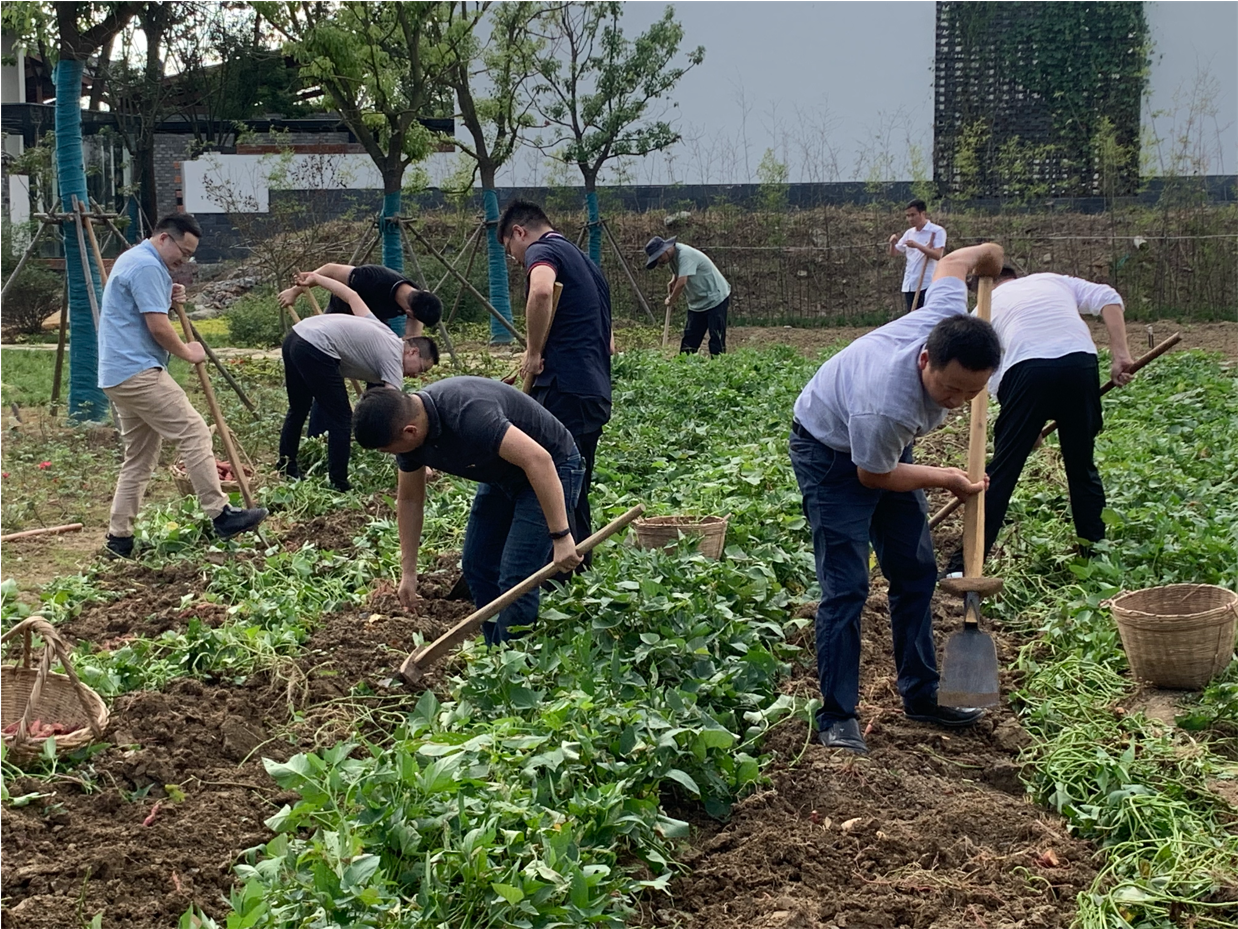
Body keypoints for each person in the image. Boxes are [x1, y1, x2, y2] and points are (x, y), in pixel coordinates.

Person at [789, 242, 1005, 755]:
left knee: (913, 571)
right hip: (832, 453)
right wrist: (946, 477)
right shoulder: (885, 404)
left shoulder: (945, 316)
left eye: (970, 395)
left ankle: (922, 694)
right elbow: (873, 475)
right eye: (949, 389)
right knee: (847, 587)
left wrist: (989, 256)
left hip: (884, 454)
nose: (956, 402)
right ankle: (838, 715)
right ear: (925, 358)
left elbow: (953, 262)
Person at [353, 379, 585, 643]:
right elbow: (409, 500)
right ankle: (495, 652)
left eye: (387, 450)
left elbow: (539, 460)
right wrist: (408, 573)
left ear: (409, 432)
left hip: (552, 467)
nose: (390, 455)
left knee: (516, 579)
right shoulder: (410, 435)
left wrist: (562, 536)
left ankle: (514, 668)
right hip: (502, 474)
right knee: (477, 566)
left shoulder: (469, 413)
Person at [943, 267, 1136, 573]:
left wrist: (1021, 423)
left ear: (980, 287)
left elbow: (989, 369)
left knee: (1002, 473)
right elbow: (1108, 297)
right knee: (1081, 467)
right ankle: (1095, 558)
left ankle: (964, 566)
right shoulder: (1052, 280)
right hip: (1080, 364)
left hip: (1027, 371)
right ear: (1017, 276)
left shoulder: (983, 308)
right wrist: (1120, 355)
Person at [98, 213, 268, 558]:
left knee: (140, 458)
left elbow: (140, 307)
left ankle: (119, 539)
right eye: (183, 252)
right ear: (163, 238)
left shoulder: (138, 261)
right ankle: (221, 515)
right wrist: (188, 352)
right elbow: (157, 327)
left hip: (117, 373)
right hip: (137, 371)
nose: (184, 260)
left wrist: (167, 294)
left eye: (190, 255)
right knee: (194, 432)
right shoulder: (147, 267)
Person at [497, 199, 611, 568]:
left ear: (519, 232)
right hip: (591, 389)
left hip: (564, 388)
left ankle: (557, 571)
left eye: (509, 249)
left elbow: (542, 291)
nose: (514, 260)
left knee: (557, 479)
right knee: (575, 484)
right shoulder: (586, 264)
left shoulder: (543, 250)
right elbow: (605, 338)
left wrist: (532, 351)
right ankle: (579, 572)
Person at [278, 271, 438, 491]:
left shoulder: (384, 331)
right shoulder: (394, 358)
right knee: (342, 418)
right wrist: (418, 461)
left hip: (297, 336)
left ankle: (286, 468)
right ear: (411, 352)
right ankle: (339, 482)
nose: (417, 375)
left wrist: (316, 279)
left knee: (298, 408)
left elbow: (351, 296)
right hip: (315, 346)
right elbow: (395, 414)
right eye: (420, 368)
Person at [278, 262, 443, 337]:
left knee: (380, 362)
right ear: (409, 313)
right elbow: (330, 270)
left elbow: (413, 334)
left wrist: (411, 347)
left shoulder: (418, 297)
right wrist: (295, 291)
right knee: (328, 347)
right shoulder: (372, 278)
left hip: (373, 318)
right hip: (343, 311)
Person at [644, 235, 732, 356]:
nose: (659, 261)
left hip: (715, 298)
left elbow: (682, 282)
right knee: (690, 340)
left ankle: (718, 368)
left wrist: (671, 299)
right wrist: (673, 280)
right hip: (697, 303)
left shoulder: (685, 254)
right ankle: (684, 368)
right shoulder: (671, 258)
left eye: (659, 257)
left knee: (716, 338)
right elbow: (679, 275)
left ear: (665, 249)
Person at [888, 199, 947, 312]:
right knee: (912, 315)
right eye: (908, 216)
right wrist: (892, 243)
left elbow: (938, 255)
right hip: (910, 282)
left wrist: (917, 245)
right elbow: (894, 253)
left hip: (927, 283)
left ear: (922, 213)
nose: (910, 219)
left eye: (913, 215)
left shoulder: (936, 231)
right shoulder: (909, 233)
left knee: (926, 315)